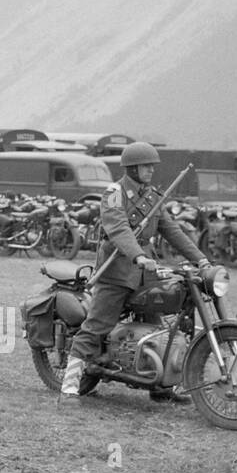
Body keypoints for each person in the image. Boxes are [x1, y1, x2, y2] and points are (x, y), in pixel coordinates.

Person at [61, 141, 209, 403]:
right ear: (132, 168)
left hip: (145, 274)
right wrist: (138, 255)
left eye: (152, 166)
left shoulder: (152, 196)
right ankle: (70, 386)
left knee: (156, 327)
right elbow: (118, 228)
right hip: (117, 270)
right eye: (146, 166)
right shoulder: (114, 193)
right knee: (97, 326)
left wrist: (202, 259)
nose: (151, 170)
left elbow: (172, 231)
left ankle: (159, 384)